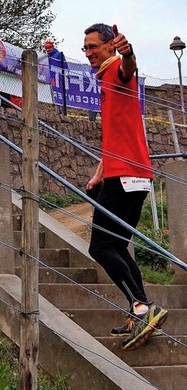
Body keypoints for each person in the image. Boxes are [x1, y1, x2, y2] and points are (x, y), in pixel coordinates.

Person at [83, 23, 167, 351]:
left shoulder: (117, 68)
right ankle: (143, 312)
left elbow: (129, 69)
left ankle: (141, 307)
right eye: (85, 48)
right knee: (116, 247)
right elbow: (117, 138)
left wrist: (129, 52)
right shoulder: (104, 78)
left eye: (93, 47)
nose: (89, 53)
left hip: (126, 176)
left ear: (110, 47)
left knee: (100, 247)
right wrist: (98, 173)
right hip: (129, 174)